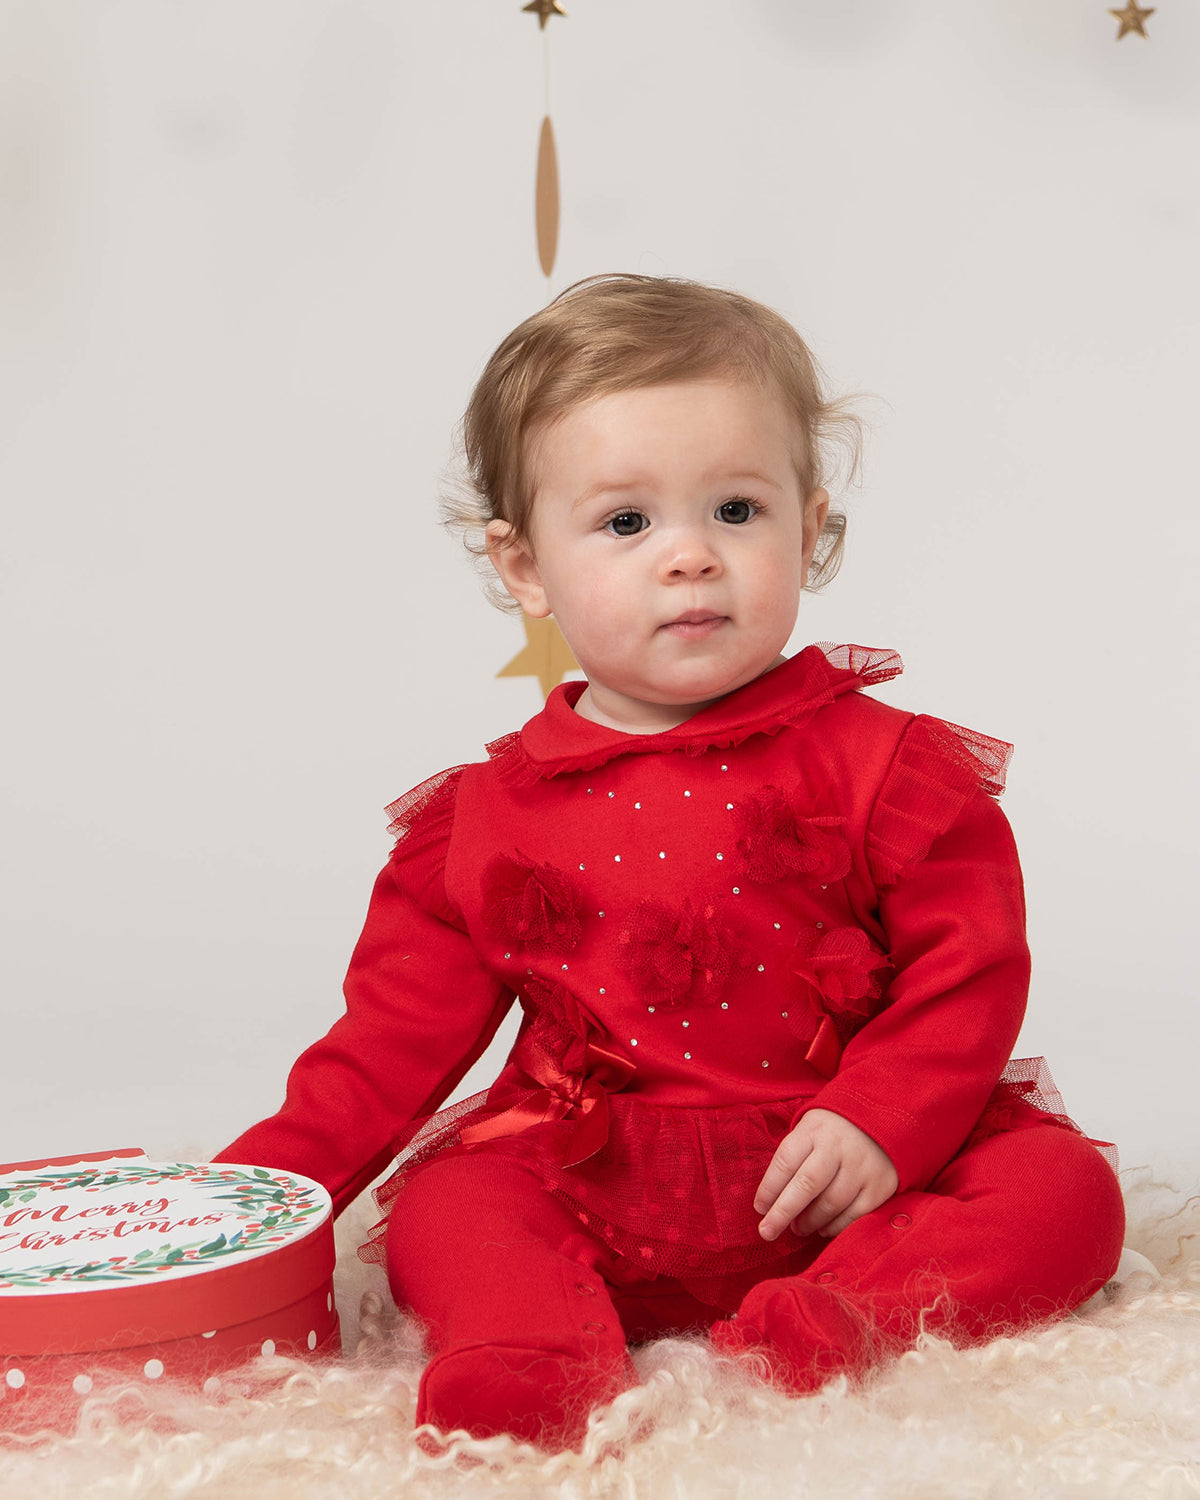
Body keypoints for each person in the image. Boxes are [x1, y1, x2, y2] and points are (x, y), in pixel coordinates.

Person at [214, 273, 1125, 1450]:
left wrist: (883, 1122)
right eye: (626, 524)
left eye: (737, 511)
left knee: (1064, 1196)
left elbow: (970, 970)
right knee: (452, 1207)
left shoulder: (888, 768)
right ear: (526, 568)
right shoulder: (487, 818)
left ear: (811, 524)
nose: (690, 556)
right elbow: (382, 1050)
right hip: (596, 1184)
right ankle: (533, 1351)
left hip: (837, 1184)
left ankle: (841, 1318)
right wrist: (240, 1209)